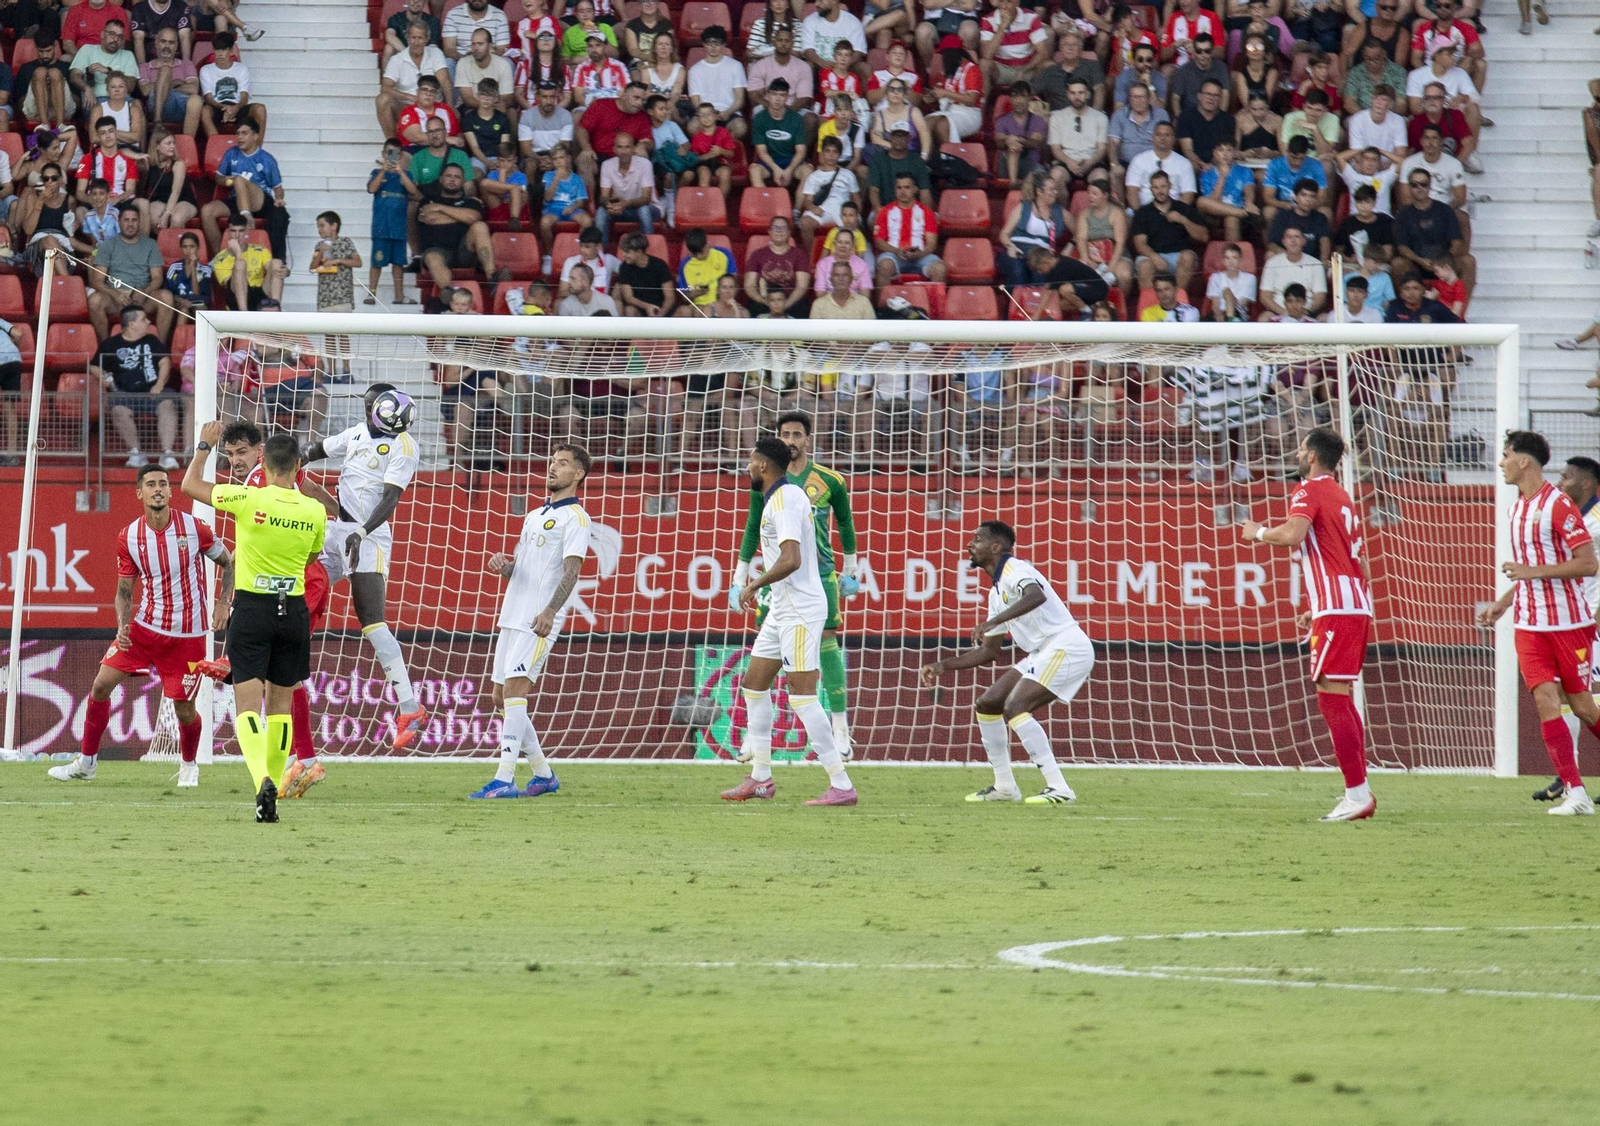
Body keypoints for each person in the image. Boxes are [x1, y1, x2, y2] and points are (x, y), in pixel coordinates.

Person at [47, 465, 232, 788]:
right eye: (151, 484)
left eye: (163, 483)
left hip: (187, 636)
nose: (158, 489)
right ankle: (87, 762)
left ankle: (189, 766)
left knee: (184, 708)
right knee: (100, 686)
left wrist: (222, 602)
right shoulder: (129, 536)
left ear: (171, 491)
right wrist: (122, 625)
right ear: (140, 493)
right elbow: (123, 590)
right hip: (144, 630)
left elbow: (227, 562)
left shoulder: (194, 528)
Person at [179, 432, 325, 821]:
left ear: (265, 464)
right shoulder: (314, 510)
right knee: (280, 709)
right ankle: (272, 792)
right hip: (293, 611)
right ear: (298, 467)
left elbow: (190, 486)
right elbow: (312, 555)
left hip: (252, 610)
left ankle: (262, 780)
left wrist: (205, 447)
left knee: (247, 706)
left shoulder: (248, 499)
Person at [1238, 428, 1376, 820]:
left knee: (1331, 695)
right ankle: (1358, 790)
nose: (1297, 454)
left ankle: (1357, 794)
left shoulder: (1310, 489)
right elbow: (1357, 562)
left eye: (1301, 449)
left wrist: (1258, 533)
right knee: (1338, 694)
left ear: (1313, 456)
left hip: (1339, 606)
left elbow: (1293, 534)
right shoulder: (1342, 494)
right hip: (1348, 604)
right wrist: (1318, 608)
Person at [720, 436, 857, 805]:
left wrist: (753, 586)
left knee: (802, 695)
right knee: (753, 684)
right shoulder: (782, 497)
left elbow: (792, 558)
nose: (747, 467)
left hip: (799, 607)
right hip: (783, 608)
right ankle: (761, 778)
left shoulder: (783, 500)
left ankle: (841, 783)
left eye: (750, 461)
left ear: (763, 466)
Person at [210, 419, 341, 798]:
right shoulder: (287, 476)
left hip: (292, 582)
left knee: (272, 678)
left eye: (242, 453)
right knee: (282, 677)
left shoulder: (256, 487)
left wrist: (224, 600)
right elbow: (313, 489)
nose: (235, 461)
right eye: (229, 454)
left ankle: (298, 762)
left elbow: (237, 556)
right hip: (303, 576)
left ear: (260, 453)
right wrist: (342, 514)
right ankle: (302, 760)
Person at [919, 520, 1090, 804]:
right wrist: (943, 666)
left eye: (977, 539)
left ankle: (1059, 787)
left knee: (1015, 706)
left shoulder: (1016, 569)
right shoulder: (996, 593)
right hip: (1042, 651)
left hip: (1066, 645)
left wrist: (994, 620)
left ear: (996, 546)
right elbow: (988, 652)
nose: (970, 545)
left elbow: (1036, 595)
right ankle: (1005, 787)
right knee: (988, 703)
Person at [1476, 431, 1600, 817]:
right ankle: (1576, 793)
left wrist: (1532, 572)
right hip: (1530, 624)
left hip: (1569, 623)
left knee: (1581, 705)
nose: (1501, 463)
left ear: (1525, 461)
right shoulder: (1517, 509)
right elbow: (1526, 572)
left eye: (1506, 455)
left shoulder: (1559, 506)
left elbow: (1588, 563)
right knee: (1545, 701)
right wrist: (1502, 604)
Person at [301, 386, 428, 751]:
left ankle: (409, 706)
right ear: (371, 408)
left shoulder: (404, 447)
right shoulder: (356, 432)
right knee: (298, 585)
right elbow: (316, 450)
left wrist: (362, 530)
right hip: (337, 530)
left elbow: (391, 498)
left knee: (371, 620)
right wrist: (286, 463)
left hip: (368, 536)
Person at [471, 444, 594, 799]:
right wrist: (505, 567)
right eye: (552, 461)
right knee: (498, 696)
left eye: (563, 464)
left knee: (514, 692)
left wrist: (552, 611)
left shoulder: (576, 519)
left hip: (539, 619)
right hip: (512, 614)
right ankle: (543, 773)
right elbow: (525, 572)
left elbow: (572, 572)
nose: (553, 468)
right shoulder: (535, 515)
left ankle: (504, 778)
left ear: (578, 475)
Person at [94, 305, 178, 469]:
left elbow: (165, 362)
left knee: (167, 405)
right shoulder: (111, 344)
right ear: (131, 324)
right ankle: (136, 453)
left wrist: (159, 384)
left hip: (153, 392)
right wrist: (104, 377)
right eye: (143, 319)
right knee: (118, 411)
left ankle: (167, 454)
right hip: (125, 393)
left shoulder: (152, 340)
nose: (148, 322)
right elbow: (94, 366)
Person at [412, 161, 506, 291]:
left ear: (463, 182)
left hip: (465, 251)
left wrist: (440, 208)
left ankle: (492, 278)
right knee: (432, 257)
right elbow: (430, 218)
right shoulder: (427, 200)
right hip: (437, 251)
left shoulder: (471, 202)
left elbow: (473, 218)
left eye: (457, 177)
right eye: (448, 176)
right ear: (441, 179)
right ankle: (448, 293)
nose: (452, 180)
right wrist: (461, 217)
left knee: (479, 226)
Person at [202, 120, 287, 259]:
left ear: (255, 136)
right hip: (237, 198)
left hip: (259, 200)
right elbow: (218, 178)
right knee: (207, 211)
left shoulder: (266, 158)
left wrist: (279, 199)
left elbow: (278, 188)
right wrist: (231, 181)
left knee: (240, 179)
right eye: (238, 134)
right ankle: (221, 257)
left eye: (245, 133)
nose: (240, 137)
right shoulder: (231, 153)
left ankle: (247, 216)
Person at [88, 207, 164, 340]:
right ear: (119, 222)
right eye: (126, 220)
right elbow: (97, 280)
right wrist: (115, 293)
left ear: (139, 222)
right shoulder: (107, 245)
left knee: (166, 298)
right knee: (95, 301)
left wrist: (145, 292)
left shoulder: (151, 244)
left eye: (134, 220)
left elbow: (157, 277)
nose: (130, 224)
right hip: (116, 298)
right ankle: (106, 349)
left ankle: (161, 351)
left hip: (142, 296)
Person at [1129, 168, 1205, 290]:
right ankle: (1149, 306)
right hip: (1152, 255)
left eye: (1163, 186)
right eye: (1156, 187)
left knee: (1188, 257)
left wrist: (1183, 220)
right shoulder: (1143, 212)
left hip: (1179, 256)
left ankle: (1179, 301)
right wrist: (1154, 257)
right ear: (1151, 189)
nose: (1160, 191)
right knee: (1144, 265)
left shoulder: (1184, 209)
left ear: (1170, 186)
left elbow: (1204, 237)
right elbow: (1139, 244)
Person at [872, 171, 946, 286]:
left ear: (915, 189)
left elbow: (932, 243)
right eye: (899, 187)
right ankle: (882, 304)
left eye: (907, 187)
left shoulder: (926, 212)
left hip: (921, 256)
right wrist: (896, 251)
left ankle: (934, 304)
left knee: (940, 269)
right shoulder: (885, 212)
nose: (902, 191)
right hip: (893, 255)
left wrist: (920, 254)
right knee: (884, 266)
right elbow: (878, 241)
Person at [378, 20, 451, 137]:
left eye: (420, 38)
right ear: (407, 37)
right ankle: (393, 143)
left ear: (427, 39)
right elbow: (385, 87)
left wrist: (450, 107)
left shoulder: (436, 53)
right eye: (413, 37)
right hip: (407, 107)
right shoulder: (397, 59)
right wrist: (409, 97)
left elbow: (444, 80)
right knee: (382, 99)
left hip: (433, 105)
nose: (416, 42)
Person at [797, 135, 862, 252]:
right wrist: (813, 208)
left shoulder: (848, 174)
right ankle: (812, 257)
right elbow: (807, 200)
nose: (831, 155)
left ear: (840, 155)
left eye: (835, 152)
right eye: (827, 151)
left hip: (843, 210)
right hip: (822, 210)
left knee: (853, 222)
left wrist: (856, 214)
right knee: (805, 223)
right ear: (822, 153)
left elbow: (857, 199)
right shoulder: (814, 176)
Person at [594, 129, 659, 243]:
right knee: (601, 211)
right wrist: (608, 204)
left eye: (627, 147)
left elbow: (646, 198)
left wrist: (626, 203)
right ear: (614, 149)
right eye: (620, 147)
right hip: (621, 209)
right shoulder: (607, 165)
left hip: (646, 208)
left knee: (643, 210)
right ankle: (600, 253)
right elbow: (603, 197)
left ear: (633, 149)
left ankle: (648, 251)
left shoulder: (645, 164)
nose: (624, 151)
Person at [367, 139, 412, 304]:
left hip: (399, 227)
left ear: (400, 156)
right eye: (389, 153)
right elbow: (372, 188)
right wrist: (382, 171)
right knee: (376, 262)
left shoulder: (406, 175)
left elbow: (413, 190)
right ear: (383, 154)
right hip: (381, 227)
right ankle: (371, 293)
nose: (392, 157)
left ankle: (399, 296)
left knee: (399, 263)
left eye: (396, 154)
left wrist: (400, 172)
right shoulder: (376, 173)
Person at [212, 211, 285, 311]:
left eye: (241, 231)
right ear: (228, 232)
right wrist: (238, 254)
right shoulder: (220, 258)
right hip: (236, 297)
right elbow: (231, 284)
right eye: (233, 231)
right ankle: (244, 313)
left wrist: (285, 271)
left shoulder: (260, 250)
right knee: (240, 264)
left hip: (260, 292)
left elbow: (272, 268)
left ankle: (275, 308)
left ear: (247, 231)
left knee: (277, 262)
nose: (237, 235)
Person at [687, 25, 748, 141]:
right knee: (692, 127)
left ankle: (723, 151)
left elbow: (740, 99)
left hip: (729, 112)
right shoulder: (695, 70)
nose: (713, 47)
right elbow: (696, 102)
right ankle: (707, 151)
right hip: (705, 113)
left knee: (740, 128)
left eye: (718, 43)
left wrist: (728, 112)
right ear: (704, 44)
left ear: (724, 44)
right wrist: (709, 115)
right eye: (709, 43)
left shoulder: (735, 66)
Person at [198, 30, 262, 136]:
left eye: (224, 49)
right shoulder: (206, 70)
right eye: (217, 50)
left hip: (237, 105)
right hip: (217, 106)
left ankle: (256, 151)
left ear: (231, 50)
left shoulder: (241, 69)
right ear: (213, 50)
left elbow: (244, 96)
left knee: (260, 109)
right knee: (205, 111)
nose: (220, 54)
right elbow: (209, 98)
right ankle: (216, 147)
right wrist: (225, 108)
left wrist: (235, 108)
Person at [745, 215, 811, 318]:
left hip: (790, 300)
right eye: (775, 227)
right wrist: (765, 301)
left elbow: (801, 286)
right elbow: (749, 285)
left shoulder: (799, 255)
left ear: (789, 232)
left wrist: (785, 304)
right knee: (753, 305)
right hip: (765, 300)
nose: (779, 231)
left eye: (783, 228)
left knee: (802, 305)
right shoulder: (757, 254)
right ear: (769, 232)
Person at [750, 78, 810, 189]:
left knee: (807, 171)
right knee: (754, 170)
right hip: (770, 160)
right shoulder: (759, 118)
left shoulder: (796, 119)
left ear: (787, 98)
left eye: (782, 95)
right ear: (768, 95)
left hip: (791, 159)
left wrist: (789, 170)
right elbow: (761, 151)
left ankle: (797, 207)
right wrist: (776, 169)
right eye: (774, 94)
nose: (777, 99)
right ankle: (766, 204)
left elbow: (801, 151)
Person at [1047, 79, 1109, 183]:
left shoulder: (1101, 117)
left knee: (1101, 176)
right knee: (1055, 175)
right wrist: (1070, 162)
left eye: (1081, 92)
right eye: (1073, 93)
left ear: (1088, 94)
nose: (1077, 97)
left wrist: (1089, 163)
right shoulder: (1057, 117)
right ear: (1067, 95)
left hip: (1092, 161)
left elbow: (1102, 149)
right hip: (1066, 161)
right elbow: (1056, 148)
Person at [67, 16, 136, 106]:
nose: (115, 39)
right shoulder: (87, 49)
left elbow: (131, 86)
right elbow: (74, 76)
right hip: (95, 99)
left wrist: (108, 71)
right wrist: (86, 88)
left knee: (137, 104)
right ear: (102, 34)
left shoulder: (128, 55)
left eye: (120, 36)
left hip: (122, 99)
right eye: (112, 34)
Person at [1258, 227, 1327, 317]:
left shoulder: (1316, 264)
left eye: (1297, 237)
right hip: (1279, 312)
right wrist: (1284, 312)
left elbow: (1320, 297)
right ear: (1283, 241)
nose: (1293, 241)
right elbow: (1264, 296)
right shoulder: (1272, 263)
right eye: (1289, 237)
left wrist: (1306, 312)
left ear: (1303, 241)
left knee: (1324, 318)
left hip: (1307, 312)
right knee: (1265, 317)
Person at [994, 80, 1049, 182]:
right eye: (1015, 96)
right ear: (1010, 99)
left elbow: (1034, 142)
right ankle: (1013, 184)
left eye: (1023, 96)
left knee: (1043, 178)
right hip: (1006, 165)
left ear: (1029, 98)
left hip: (1030, 164)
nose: (1019, 101)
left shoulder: (1038, 120)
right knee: (1013, 147)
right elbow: (999, 143)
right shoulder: (1002, 120)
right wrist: (1008, 141)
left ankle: (1015, 184)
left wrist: (1017, 139)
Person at [613, 232, 675, 317]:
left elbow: (670, 297)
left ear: (639, 252)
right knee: (629, 310)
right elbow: (628, 297)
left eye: (627, 252)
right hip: (640, 308)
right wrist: (647, 306)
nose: (624, 255)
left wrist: (660, 315)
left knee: (684, 310)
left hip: (662, 308)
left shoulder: (660, 265)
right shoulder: (624, 267)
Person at [162, 229, 211, 322]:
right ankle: (179, 336)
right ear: (181, 248)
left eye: (192, 246)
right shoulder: (174, 268)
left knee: (201, 310)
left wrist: (193, 268)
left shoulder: (205, 270)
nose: (188, 250)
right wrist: (181, 301)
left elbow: (197, 294)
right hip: (178, 304)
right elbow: (168, 293)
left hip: (197, 304)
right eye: (185, 247)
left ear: (198, 248)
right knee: (184, 310)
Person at [442, 0, 510, 62]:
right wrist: (466, 59)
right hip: (460, 60)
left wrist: (485, 56)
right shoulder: (453, 14)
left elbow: (502, 49)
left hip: (491, 61)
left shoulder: (500, 16)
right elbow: (449, 49)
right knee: (448, 62)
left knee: (507, 61)